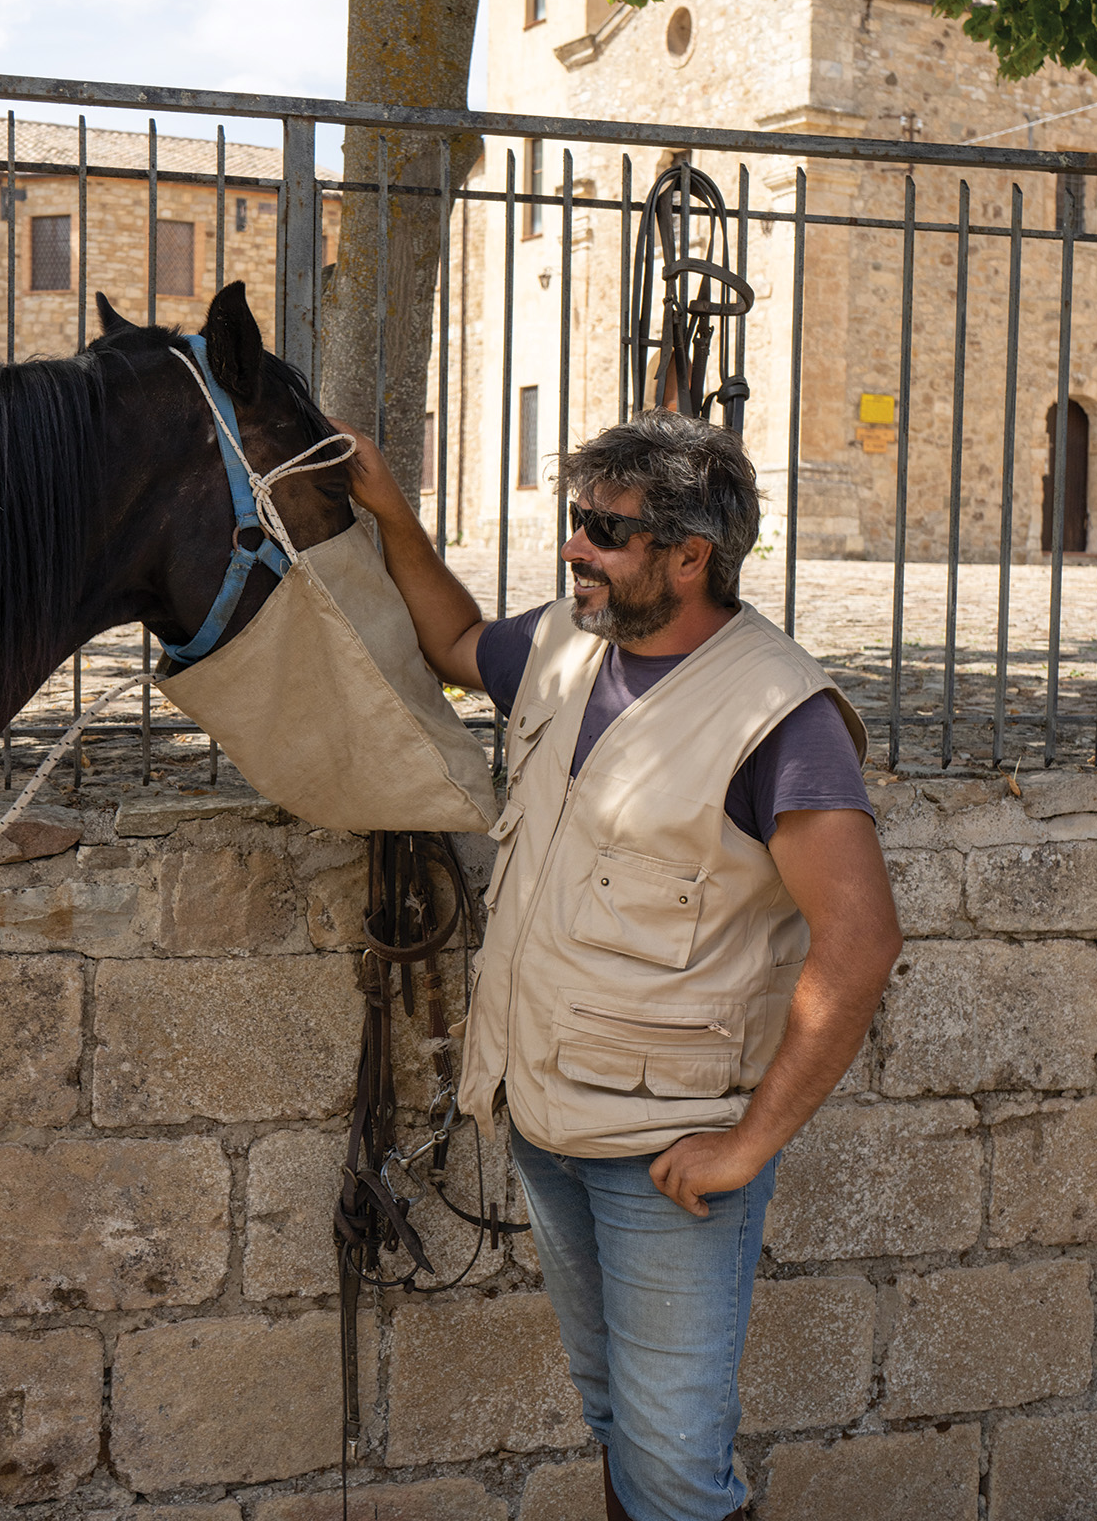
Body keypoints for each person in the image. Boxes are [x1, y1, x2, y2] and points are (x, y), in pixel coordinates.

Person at [340, 409, 902, 1521]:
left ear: (690, 557)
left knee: (676, 1460)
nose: (573, 547)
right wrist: (390, 512)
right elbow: (455, 643)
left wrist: (751, 1143)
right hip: (546, 1120)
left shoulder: (779, 717)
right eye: (575, 520)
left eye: (604, 529)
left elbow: (861, 940)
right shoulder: (566, 642)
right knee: (617, 1424)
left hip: (665, 1156)